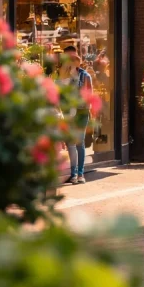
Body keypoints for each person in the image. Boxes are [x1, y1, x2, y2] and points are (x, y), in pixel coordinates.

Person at [59, 46, 93, 184]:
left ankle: (80, 174)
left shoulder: (85, 76)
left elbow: (90, 97)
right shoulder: (61, 75)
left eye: (74, 58)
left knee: (80, 142)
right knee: (70, 144)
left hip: (81, 112)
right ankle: (73, 174)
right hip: (67, 113)